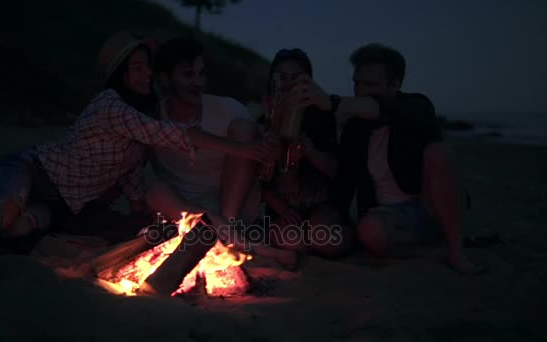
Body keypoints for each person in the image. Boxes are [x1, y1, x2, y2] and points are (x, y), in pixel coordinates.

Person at [0, 32, 276, 240]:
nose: (145, 75)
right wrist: (248, 151)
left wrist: (145, 212)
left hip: (62, 206)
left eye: (147, 67)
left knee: (15, 230)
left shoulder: (141, 121)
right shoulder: (110, 105)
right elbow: (174, 134)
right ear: (121, 75)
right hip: (31, 171)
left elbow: (131, 179)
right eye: (136, 68)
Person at [288, 43, 484, 274]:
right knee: (368, 230)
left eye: (369, 84)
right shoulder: (356, 128)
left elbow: (386, 108)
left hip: (431, 205)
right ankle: (423, 249)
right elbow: (342, 174)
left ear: (395, 85)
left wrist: (332, 102)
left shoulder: (417, 106)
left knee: (440, 153)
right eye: (356, 83)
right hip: (388, 216)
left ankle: (456, 251)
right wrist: (309, 151)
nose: (360, 91)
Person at [144, 36, 263, 231]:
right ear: (166, 79)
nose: (198, 82)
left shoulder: (228, 109)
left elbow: (257, 156)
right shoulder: (154, 118)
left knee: (244, 128)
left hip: (229, 205)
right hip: (182, 209)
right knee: (155, 192)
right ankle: (216, 230)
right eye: (188, 75)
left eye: (201, 74)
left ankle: (226, 228)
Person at [259, 48, 353, 258]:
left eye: (297, 78)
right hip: (283, 206)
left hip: (320, 204)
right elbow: (259, 182)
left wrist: (309, 150)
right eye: (282, 78)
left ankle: (343, 237)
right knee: (290, 240)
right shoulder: (263, 122)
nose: (289, 84)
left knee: (326, 237)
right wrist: (281, 209)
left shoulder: (322, 118)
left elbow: (337, 171)